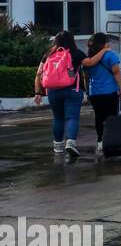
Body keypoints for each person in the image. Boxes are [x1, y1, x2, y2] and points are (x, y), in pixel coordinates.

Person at [32, 30, 87, 158]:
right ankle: (71, 142)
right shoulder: (77, 53)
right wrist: (103, 51)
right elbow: (90, 64)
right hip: (72, 89)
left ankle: (58, 146)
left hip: (53, 90)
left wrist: (38, 92)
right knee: (72, 117)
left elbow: (39, 73)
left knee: (58, 118)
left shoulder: (49, 54)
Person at [82, 32, 121, 155]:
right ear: (104, 43)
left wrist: (87, 92)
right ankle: (112, 141)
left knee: (99, 117)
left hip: (95, 93)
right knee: (111, 117)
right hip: (110, 92)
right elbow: (116, 72)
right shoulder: (110, 55)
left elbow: (86, 77)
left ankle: (100, 140)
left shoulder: (89, 57)